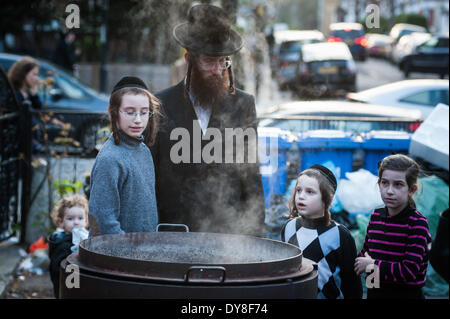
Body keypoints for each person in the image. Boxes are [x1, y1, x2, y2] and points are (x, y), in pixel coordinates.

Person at [151, 4, 265, 236]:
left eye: (222, 61)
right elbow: (150, 176)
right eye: (208, 62)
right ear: (188, 60)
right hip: (174, 231)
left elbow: (251, 174)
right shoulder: (160, 104)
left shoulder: (243, 104)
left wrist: (255, 233)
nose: (217, 70)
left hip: (228, 231)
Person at [89, 76, 160, 235]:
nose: (138, 120)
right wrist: (127, 253)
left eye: (144, 113)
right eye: (130, 112)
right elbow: (103, 221)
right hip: (120, 255)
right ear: (113, 112)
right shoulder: (110, 159)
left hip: (144, 251)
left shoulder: (144, 150)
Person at [354, 154, 431, 299]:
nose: (389, 190)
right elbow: (366, 254)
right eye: (385, 183)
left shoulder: (417, 223)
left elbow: (409, 271)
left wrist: (372, 264)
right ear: (379, 184)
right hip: (375, 293)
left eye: (398, 184)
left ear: (411, 190)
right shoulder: (376, 215)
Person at [281, 165, 362, 299]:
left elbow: (352, 283)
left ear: (327, 199)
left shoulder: (340, 234)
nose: (301, 196)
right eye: (298, 190)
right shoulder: (289, 227)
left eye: (310, 192)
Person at [48, 194, 89, 298]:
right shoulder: (62, 244)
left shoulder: (84, 239)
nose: (76, 222)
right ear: (61, 222)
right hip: (67, 287)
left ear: (86, 221)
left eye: (80, 218)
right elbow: (60, 269)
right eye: (70, 219)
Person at [7, 56, 43, 154]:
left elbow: (39, 113)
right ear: (23, 74)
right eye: (34, 74)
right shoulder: (15, 95)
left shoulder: (29, 95)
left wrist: (34, 95)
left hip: (31, 148)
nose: (37, 78)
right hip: (20, 150)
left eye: (37, 75)